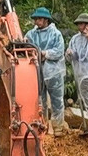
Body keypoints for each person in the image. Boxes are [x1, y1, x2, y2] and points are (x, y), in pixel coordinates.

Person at [26, 7, 66, 136]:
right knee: (40, 100)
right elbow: (25, 45)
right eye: (36, 19)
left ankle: (58, 126)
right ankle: (43, 126)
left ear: (46, 20)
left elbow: (59, 51)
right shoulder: (31, 34)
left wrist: (45, 53)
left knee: (56, 100)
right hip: (37, 71)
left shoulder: (55, 34)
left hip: (54, 72)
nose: (36, 21)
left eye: (39, 19)